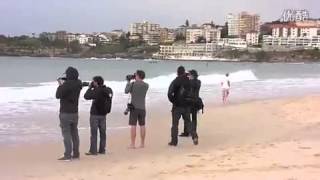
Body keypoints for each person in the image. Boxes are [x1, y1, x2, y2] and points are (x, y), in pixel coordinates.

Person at [56, 67, 83, 161]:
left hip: (65, 112)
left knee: (66, 134)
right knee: (75, 133)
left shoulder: (66, 85)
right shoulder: (78, 83)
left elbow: (58, 95)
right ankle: (76, 154)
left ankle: (67, 155)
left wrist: (60, 84)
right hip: (75, 112)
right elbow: (74, 83)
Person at [168, 66, 198, 146]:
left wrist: (173, 101)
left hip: (177, 106)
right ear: (184, 72)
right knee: (188, 122)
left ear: (177, 72)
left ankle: (174, 141)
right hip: (186, 105)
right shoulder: (188, 81)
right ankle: (194, 136)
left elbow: (169, 93)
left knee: (175, 124)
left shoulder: (175, 81)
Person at [84, 76, 113, 156]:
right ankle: (102, 150)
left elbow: (86, 96)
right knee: (103, 133)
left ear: (96, 82)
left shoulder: (97, 90)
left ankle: (93, 151)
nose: (92, 83)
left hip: (95, 114)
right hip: (103, 114)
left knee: (94, 133)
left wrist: (90, 88)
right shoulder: (108, 90)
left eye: (93, 82)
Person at [125, 70, 149, 149]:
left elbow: (126, 91)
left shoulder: (133, 84)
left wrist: (128, 81)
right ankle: (142, 144)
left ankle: (133, 144)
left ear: (138, 75)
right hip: (142, 107)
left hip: (134, 107)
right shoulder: (146, 85)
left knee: (133, 126)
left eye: (135, 75)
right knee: (142, 125)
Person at [180, 70, 201, 142]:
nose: (188, 76)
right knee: (194, 118)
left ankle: (187, 132)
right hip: (196, 101)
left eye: (189, 75)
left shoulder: (189, 82)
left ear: (192, 75)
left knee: (187, 118)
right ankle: (194, 131)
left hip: (189, 101)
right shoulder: (198, 82)